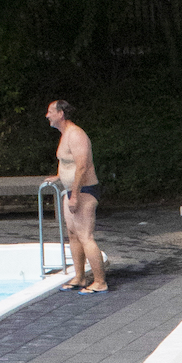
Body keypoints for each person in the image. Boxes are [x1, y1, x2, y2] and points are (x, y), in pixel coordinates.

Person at [46, 100, 106, 293]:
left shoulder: (76, 135)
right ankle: (80, 277)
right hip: (71, 190)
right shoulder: (64, 135)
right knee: (73, 235)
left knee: (85, 236)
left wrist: (75, 196)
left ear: (61, 113)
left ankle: (100, 281)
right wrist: (59, 176)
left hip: (84, 191)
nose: (47, 115)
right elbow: (67, 162)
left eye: (50, 112)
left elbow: (82, 166)